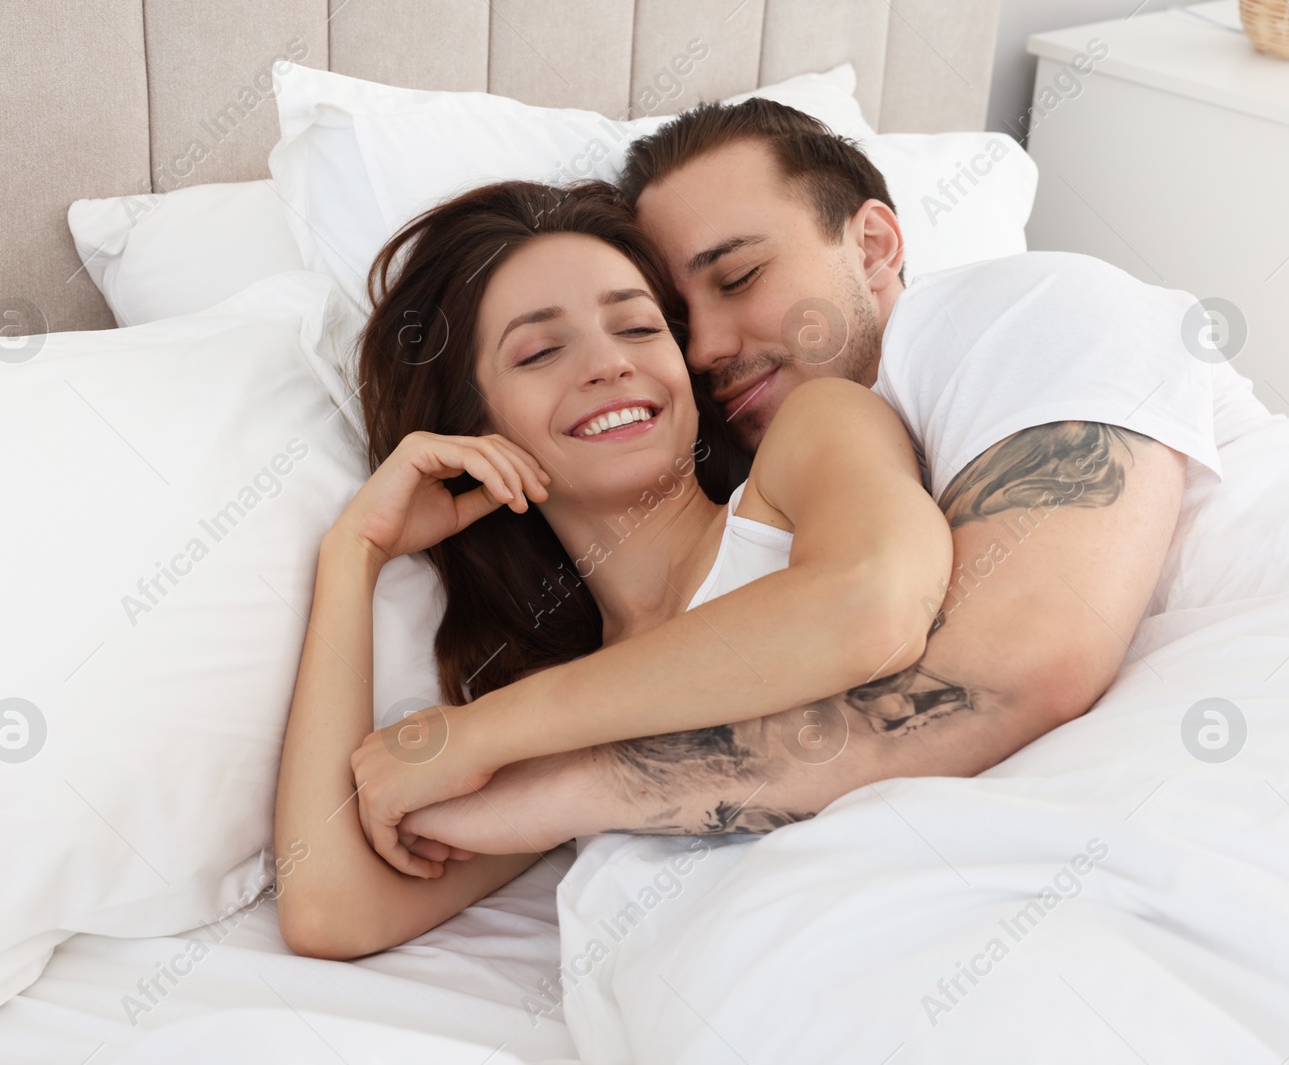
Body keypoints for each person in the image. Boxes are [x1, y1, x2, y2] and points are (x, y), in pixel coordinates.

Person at [355, 98, 1278, 863]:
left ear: (874, 245)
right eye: (674, 320)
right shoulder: (666, 616)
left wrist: (528, 760)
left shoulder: (1027, 308)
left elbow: (1017, 668)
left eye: (742, 275)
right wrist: (350, 555)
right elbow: (333, 902)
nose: (704, 348)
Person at [273, 179, 953, 959]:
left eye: (637, 327)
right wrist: (352, 552)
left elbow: (875, 602)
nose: (608, 365)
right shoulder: (553, 722)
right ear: (474, 428)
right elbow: (331, 909)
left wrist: (481, 732)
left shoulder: (811, 437)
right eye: (539, 350)